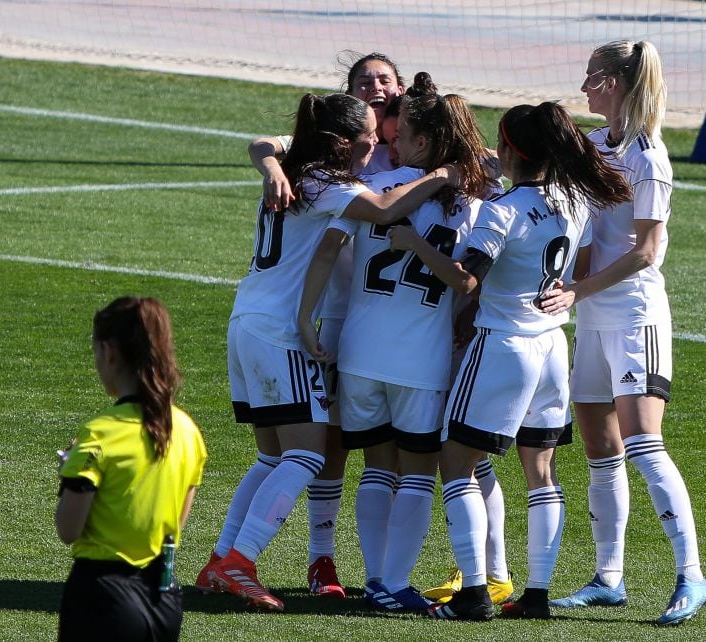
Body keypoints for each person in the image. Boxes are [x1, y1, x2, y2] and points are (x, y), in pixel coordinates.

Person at [194, 92, 459, 612]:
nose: (373, 149)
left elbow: (264, 145)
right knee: (308, 453)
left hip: (247, 320)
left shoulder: (299, 166)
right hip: (277, 334)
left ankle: (221, 558)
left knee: (272, 455)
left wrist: (268, 162)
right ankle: (239, 561)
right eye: (366, 142)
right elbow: (386, 208)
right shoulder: (327, 186)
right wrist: (443, 175)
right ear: (342, 142)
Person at [390, 102, 630, 621]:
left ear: (513, 149)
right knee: (541, 473)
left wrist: (413, 245)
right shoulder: (573, 197)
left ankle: (474, 593)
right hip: (550, 348)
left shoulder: (503, 211)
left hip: (503, 346)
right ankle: (537, 594)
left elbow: (465, 279)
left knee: (456, 464)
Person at [297, 74, 498, 614]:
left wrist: (304, 316)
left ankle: (376, 580)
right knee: (416, 473)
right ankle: (392, 582)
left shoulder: (379, 191)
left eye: (403, 133)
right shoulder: (466, 204)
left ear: (426, 143)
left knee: (377, 469)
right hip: (420, 355)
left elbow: (329, 246)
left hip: (361, 349)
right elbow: (470, 279)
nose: (392, 140)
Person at [539, 40, 706, 626]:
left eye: (592, 75)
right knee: (599, 450)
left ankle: (692, 575)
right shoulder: (595, 146)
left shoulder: (649, 158)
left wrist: (577, 290)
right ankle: (608, 578)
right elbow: (587, 231)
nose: (584, 85)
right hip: (591, 320)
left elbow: (645, 251)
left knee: (643, 444)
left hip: (636, 316)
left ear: (614, 82)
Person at [244, 52, 406, 599]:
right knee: (322, 442)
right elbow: (264, 145)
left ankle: (232, 557)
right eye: (364, 81)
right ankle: (320, 561)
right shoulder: (331, 157)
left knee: (380, 446)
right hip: (321, 316)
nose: (375, 88)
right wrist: (269, 165)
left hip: (377, 317)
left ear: (400, 87)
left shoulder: (408, 141)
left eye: (384, 79)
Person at [56, 296, 207, 642]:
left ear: (109, 351)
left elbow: (69, 529)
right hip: (164, 597)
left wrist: (69, 479)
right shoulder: (187, 431)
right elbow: (174, 524)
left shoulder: (99, 433)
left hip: (103, 597)